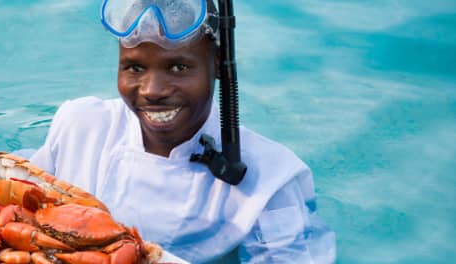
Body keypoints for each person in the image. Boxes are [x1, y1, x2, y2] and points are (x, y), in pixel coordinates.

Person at [26, 0, 336, 263]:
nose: (152, 90)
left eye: (178, 68)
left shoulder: (272, 179)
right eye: (134, 68)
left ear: (217, 65)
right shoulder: (80, 126)